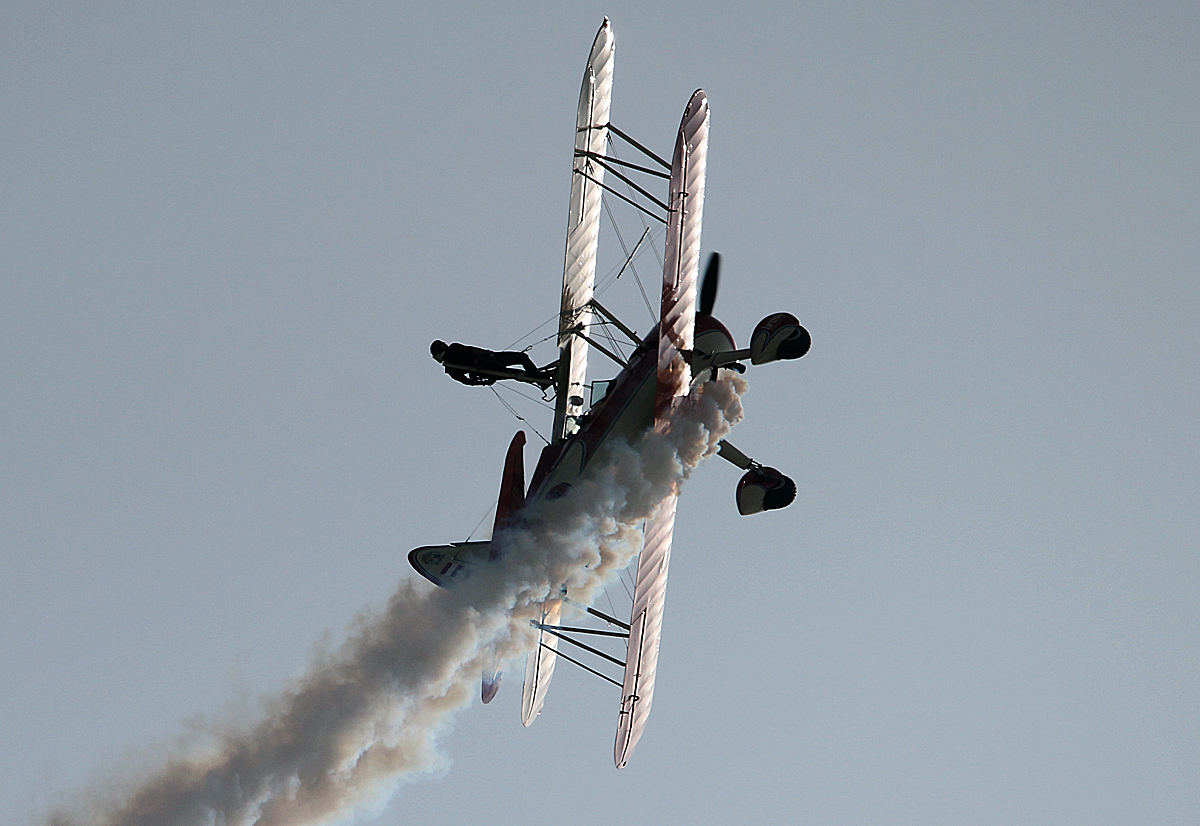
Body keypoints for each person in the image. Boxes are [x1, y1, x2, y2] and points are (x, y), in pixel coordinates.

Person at [430, 340, 554, 387]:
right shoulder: (453, 348)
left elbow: (466, 381)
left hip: (486, 373)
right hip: (488, 361)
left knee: (516, 375)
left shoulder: (450, 369)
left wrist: (483, 382)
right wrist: (488, 353)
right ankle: (540, 378)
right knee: (520, 358)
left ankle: (542, 380)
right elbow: (471, 350)